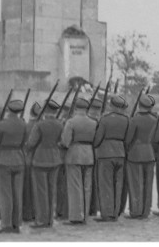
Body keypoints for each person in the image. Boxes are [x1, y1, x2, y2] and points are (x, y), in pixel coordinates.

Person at [0, 99, 27, 234]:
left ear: (8, 110)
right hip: (19, 159)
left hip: (3, 159)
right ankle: (17, 224)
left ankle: (6, 224)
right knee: (17, 193)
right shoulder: (23, 124)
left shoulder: (1, 125)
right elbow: (24, 143)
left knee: (5, 194)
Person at [26, 99, 63, 228]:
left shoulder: (39, 125)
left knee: (41, 191)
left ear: (45, 110)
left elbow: (31, 143)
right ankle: (50, 220)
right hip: (55, 158)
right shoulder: (60, 124)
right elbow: (61, 141)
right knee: (51, 190)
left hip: (40, 160)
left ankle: (42, 220)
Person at [92, 94, 129, 222]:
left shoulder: (105, 119)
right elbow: (128, 138)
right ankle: (115, 212)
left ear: (111, 105)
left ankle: (107, 214)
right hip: (120, 153)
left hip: (106, 153)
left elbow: (98, 138)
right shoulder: (126, 119)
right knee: (118, 184)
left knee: (105, 184)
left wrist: (95, 146)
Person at [60, 96, 96, 225]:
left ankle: (76, 216)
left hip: (75, 153)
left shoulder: (71, 122)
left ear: (76, 108)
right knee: (87, 186)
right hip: (89, 154)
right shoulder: (93, 122)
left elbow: (65, 141)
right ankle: (85, 215)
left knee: (75, 186)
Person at [124, 94, 156, 218]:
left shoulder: (134, 120)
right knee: (148, 184)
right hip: (149, 152)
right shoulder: (154, 119)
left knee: (136, 184)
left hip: (135, 153)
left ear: (139, 105)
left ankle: (136, 210)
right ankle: (146, 210)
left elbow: (128, 138)